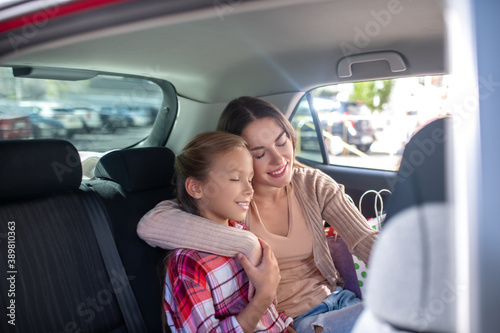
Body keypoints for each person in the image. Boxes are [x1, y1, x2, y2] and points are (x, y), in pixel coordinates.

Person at [138, 97, 378, 332]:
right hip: (293, 321)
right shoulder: (231, 204)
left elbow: (364, 239)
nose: (278, 159)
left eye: (282, 142)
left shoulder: (312, 184)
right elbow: (151, 225)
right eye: (259, 154)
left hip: (340, 301)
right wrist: (248, 243)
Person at [162, 131, 293, 332]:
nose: (250, 190)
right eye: (234, 179)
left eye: (249, 179)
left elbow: (270, 317)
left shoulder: (241, 235)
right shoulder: (188, 263)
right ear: (196, 188)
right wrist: (263, 297)